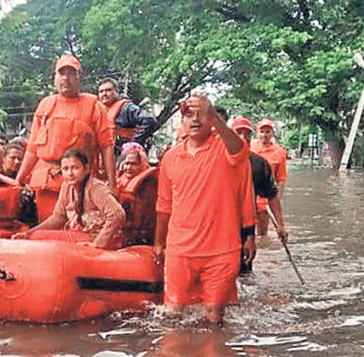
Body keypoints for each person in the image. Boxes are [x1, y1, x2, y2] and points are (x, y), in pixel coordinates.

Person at [154, 92, 256, 325]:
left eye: (201, 115)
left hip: (221, 251)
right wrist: (159, 242)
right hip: (180, 249)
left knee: (213, 319)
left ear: (212, 120)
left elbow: (239, 149)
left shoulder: (227, 149)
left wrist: (249, 233)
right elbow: (164, 204)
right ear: (182, 123)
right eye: (189, 115)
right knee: (172, 316)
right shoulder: (170, 158)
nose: (195, 120)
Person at [16, 55, 116, 222]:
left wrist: (113, 185)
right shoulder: (46, 105)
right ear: (55, 78)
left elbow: (107, 146)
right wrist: (18, 181)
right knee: (47, 230)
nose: (65, 78)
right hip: (47, 183)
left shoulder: (94, 105)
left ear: (80, 77)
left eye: (71, 73)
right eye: (61, 73)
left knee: (77, 232)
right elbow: (33, 148)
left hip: (80, 184)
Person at [14, 148, 125, 249]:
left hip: (96, 238)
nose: (70, 173)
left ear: (86, 168)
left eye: (75, 168)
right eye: (65, 169)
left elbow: (117, 214)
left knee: (39, 236)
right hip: (81, 234)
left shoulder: (95, 188)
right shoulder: (66, 186)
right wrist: (29, 233)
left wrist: (98, 243)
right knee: (36, 235)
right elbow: (58, 218)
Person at [231, 116, 288, 273]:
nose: (243, 138)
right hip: (218, 226)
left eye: (246, 134)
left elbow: (274, 192)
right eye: (238, 133)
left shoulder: (259, 163)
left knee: (244, 272)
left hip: (247, 222)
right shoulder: (215, 160)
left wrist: (280, 225)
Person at [97, 77, 158, 153]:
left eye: (108, 90)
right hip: (106, 154)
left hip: (124, 155)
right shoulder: (99, 111)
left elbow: (149, 120)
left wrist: (134, 143)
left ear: (117, 92)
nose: (104, 94)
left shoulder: (126, 108)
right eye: (101, 91)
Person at [115, 142, 158, 246]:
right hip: (121, 232)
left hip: (140, 238)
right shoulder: (120, 179)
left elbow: (144, 216)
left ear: (142, 164)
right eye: (126, 163)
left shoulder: (149, 183)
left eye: (133, 164)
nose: (128, 167)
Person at [251, 118, 288, 235]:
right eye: (262, 132)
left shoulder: (280, 152)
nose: (264, 135)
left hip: (265, 195)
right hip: (248, 193)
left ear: (273, 133)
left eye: (268, 131)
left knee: (262, 232)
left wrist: (277, 199)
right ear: (257, 133)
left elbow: (281, 178)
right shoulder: (249, 147)